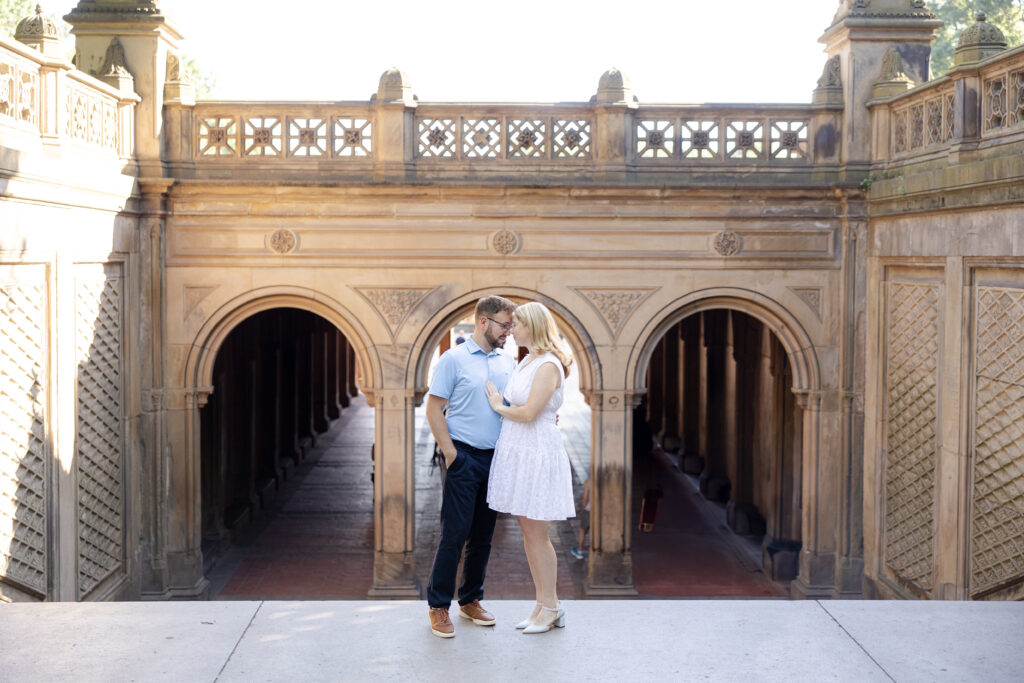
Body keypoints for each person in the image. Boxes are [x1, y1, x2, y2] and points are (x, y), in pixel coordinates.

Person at [425, 295, 517, 639]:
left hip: (496, 460)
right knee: (454, 534)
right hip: (463, 457)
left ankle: (471, 600)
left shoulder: (507, 361)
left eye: (510, 326)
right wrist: (451, 454)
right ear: (483, 322)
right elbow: (434, 409)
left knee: (482, 537)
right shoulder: (454, 359)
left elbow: (513, 406)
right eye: (503, 325)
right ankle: (438, 606)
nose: (508, 331)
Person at [484, 301, 575, 634]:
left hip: (535, 449)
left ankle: (551, 607)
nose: (512, 329)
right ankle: (542, 604)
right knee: (529, 533)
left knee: (538, 535)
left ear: (534, 326)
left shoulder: (548, 365)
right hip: (520, 448)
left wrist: (497, 405)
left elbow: (528, 413)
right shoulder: (528, 360)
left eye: (518, 323)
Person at [570, 477, 590, 560]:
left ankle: (579, 551)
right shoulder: (605, 479)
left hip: (589, 510)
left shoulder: (588, 481)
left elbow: (585, 498)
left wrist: (582, 509)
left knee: (582, 530)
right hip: (600, 512)